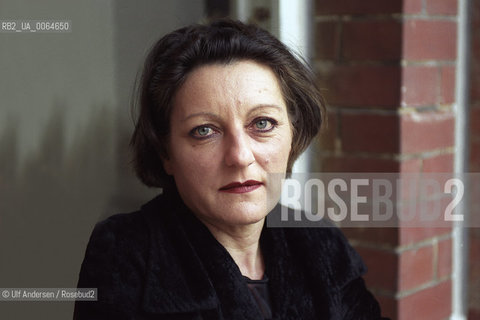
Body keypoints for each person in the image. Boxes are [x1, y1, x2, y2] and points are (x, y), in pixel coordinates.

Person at [74, 19, 388, 320]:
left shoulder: (320, 244)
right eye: (204, 130)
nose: (239, 156)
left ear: (293, 135)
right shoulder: (126, 253)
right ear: (165, 152)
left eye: (262, 123)